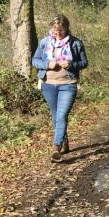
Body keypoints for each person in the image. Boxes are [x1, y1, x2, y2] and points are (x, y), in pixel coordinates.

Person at [32, 14, 89, 163]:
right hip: (48, 85)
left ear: (67, 28)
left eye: (61, 31)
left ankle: (56, 147)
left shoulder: (76, 43)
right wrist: (47, 64)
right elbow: (35, 60)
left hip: (68, 84)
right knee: (56, 116)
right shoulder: (44, 42)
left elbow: (84, 62)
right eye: (55, 31)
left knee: (62, 115)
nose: (58, 34)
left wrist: (71, 65)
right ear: (51, 28)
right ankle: (64, 141)